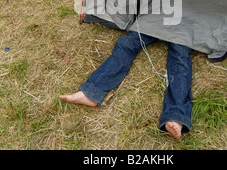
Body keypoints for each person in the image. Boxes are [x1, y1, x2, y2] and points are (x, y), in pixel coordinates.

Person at [59, 31, 193, 139]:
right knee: (126, 44)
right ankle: (92, 92)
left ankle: (176, 115)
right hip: (155, 15)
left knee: (180, 58)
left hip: (184, 21)